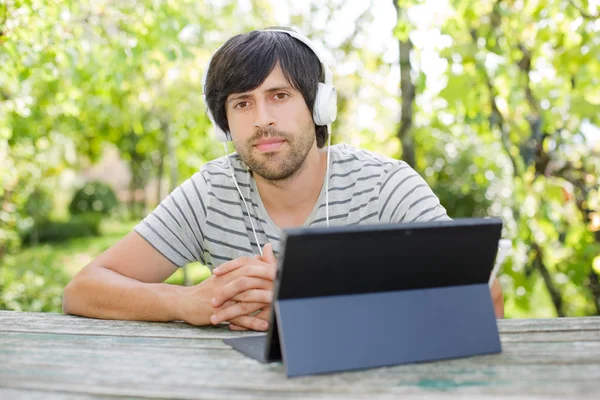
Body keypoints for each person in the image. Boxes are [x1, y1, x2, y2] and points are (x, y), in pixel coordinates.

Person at [63, 27, 504, 331]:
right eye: (242, 104)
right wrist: (187, 303)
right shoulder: (212, 191)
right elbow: (83, 289)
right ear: (226, 124)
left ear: (318, 107)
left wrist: (307, 299)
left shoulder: (385, 186)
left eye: (279, 96)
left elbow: (482, 295)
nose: (263, 119)